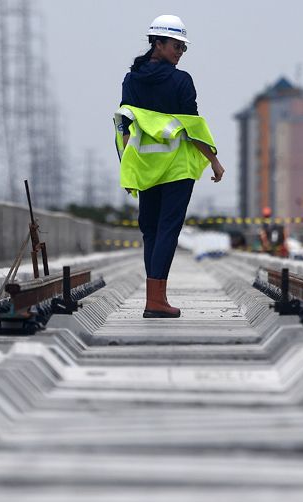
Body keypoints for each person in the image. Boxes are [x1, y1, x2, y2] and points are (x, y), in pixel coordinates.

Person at [114, 15, 224, 319]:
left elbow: (125, 128)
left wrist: (129, 167)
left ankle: (155, 298)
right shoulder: (181, 81)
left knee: (150, 230)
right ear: (158, 43)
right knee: (167, 229)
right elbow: (193, 127)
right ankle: (156, 300)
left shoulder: (131, 80)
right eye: (177, 46)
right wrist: (214, 161)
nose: (180, 52)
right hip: (177, 168)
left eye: (183, 48)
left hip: (147, 166)